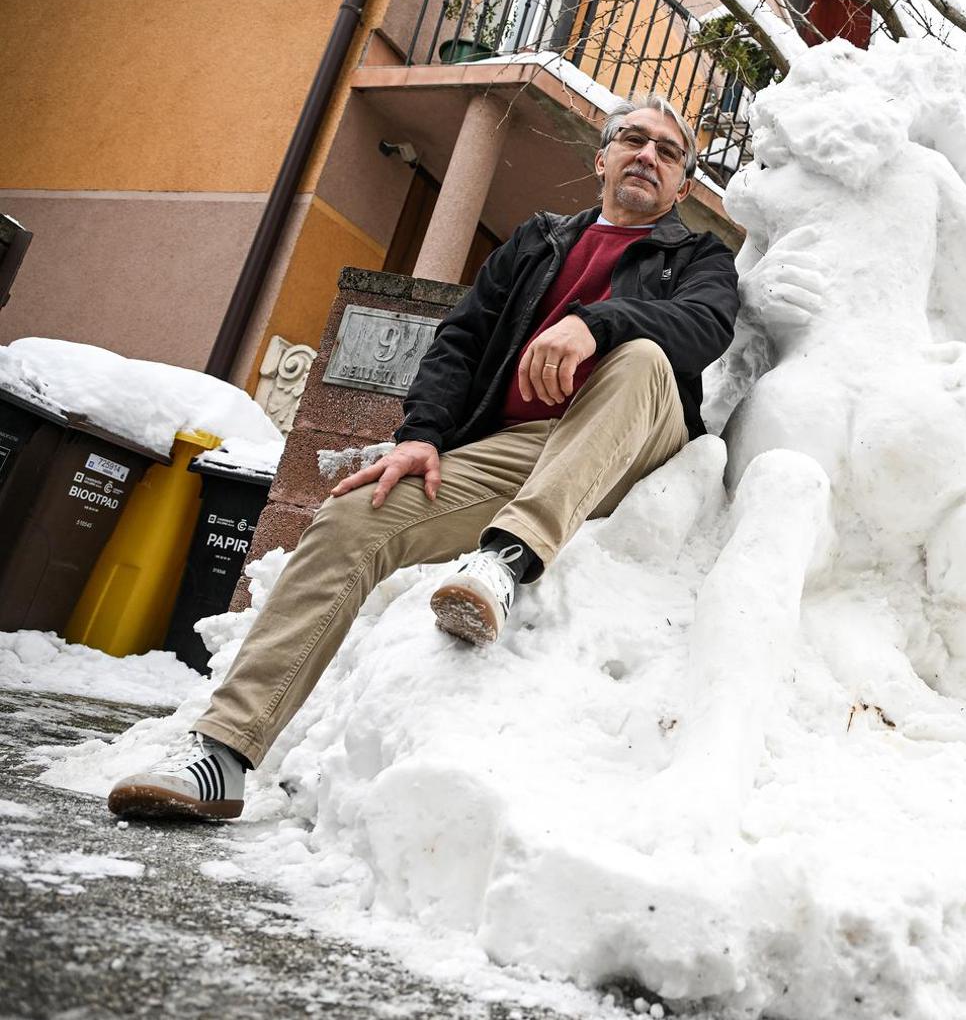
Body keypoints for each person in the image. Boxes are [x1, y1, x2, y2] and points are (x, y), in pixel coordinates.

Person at [107, 94, 740, 822]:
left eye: (668, 152)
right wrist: (422, 436)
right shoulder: (537, 242)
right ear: (601, 159)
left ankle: (506, 560)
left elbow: (704, 327)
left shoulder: (697, 257)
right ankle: (223, 752)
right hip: (513, 451)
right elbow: (460, 342)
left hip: (627, 441)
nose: (648, 156)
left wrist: (595, 323)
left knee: (642, 358)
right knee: (352, 518)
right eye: (633, 140)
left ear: (684, 186)